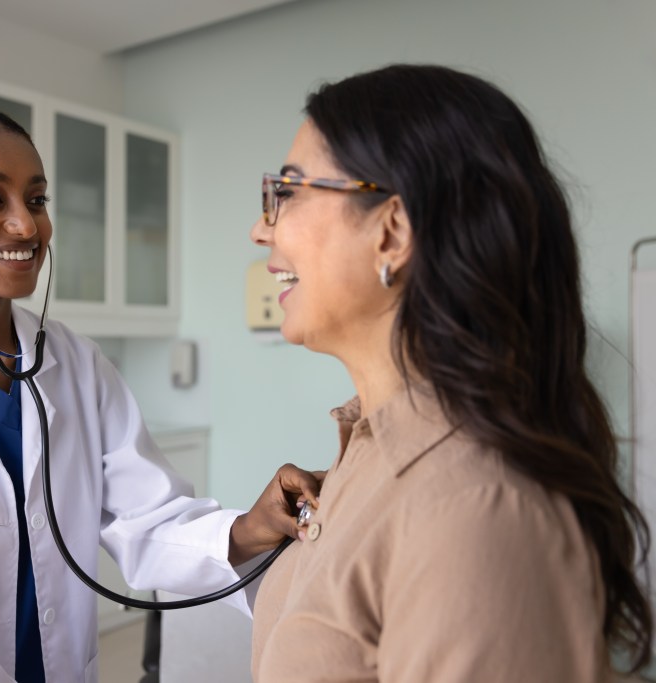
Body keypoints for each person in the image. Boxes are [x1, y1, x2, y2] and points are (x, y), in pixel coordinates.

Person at [0, 102, 319, 682]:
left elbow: (147, 520)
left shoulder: (77, 364)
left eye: (37, 198)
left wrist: (253, 526)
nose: (27, 225)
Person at [248, 64, 653, 682]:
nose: (261, 228)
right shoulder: (364, 456)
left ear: (393, 232)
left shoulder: (479, 513)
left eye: (290, 191)